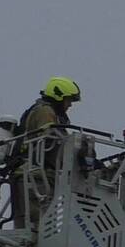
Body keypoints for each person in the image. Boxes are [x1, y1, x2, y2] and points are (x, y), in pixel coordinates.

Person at [11, 76, 81, 228]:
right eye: (68, 100)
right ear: (58, 97)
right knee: (39, 228)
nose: (70, 105)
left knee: (33, 227)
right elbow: (53, 138)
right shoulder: (45, 111)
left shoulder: (44, 110)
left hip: (33, 175)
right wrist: (80, 153)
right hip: (35, 176)